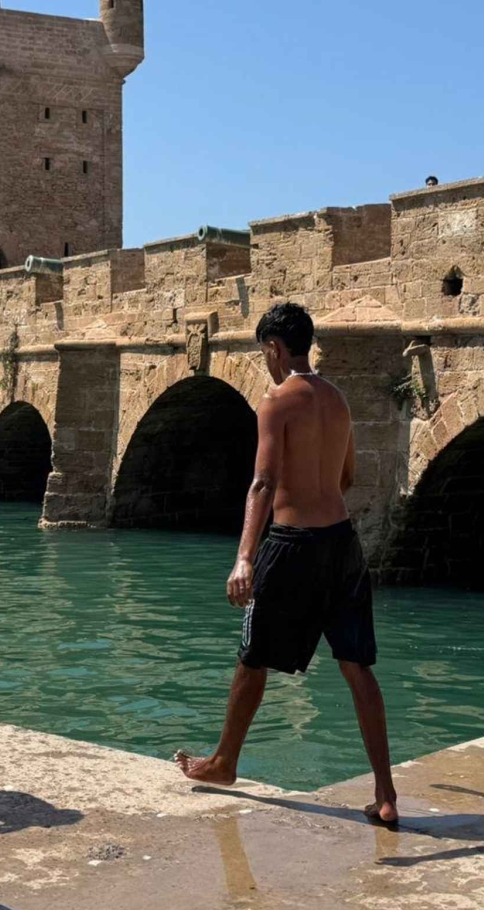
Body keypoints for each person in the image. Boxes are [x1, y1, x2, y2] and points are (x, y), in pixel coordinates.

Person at [175, 302, 399, 826]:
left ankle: (225, 762)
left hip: (293, 545)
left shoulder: (276, 401)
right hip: (343, 543)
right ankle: (386, 793)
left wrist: (244, 557)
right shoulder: (337, 399)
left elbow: (262, 482)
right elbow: (347, 476)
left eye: (264, 352)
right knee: (357, 666)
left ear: (274, 348)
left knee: (252, 656)